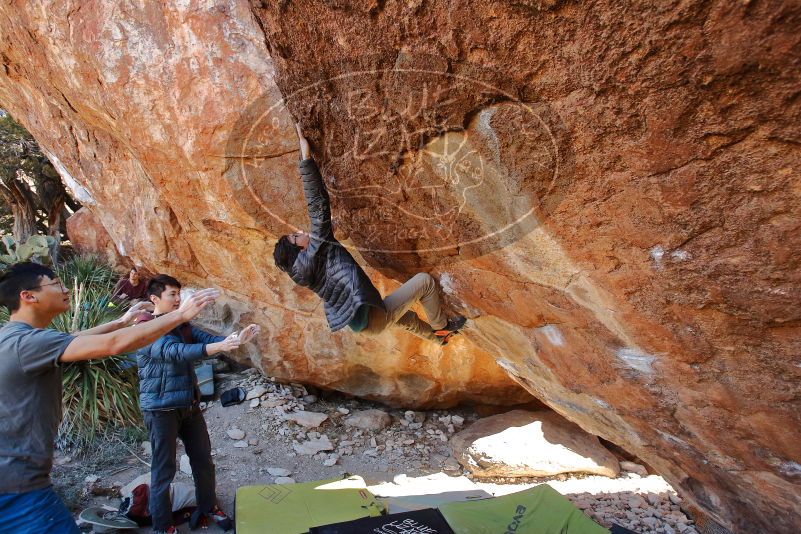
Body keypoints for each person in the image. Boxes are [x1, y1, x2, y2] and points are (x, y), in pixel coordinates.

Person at [0, 262, 220, 534]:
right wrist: (179, 315)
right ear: (28, 295)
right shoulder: (27, 343)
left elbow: (72, 338)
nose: (65, 288)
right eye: (56, 284)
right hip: (18, 488)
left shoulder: (16, 338)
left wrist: (120, 321)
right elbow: (115, 345)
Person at [273, 124, 466, 345]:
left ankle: (438, 340)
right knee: (424, 282)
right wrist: (306, 158)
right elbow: (317, 205)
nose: (300, 232)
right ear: (301, 249)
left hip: (362, 324)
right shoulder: (316, 249)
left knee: (405, 317)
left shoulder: (301, 273)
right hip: (373, 317)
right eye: (295, 237)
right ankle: (441, 328)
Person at [137, 274, 259, 534]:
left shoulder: (182, 325)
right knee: (163, 470)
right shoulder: (145, 326)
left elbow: (207, 339)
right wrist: (218, 347)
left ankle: (208, 506)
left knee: (203, 460)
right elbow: (174, 353)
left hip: (189, 405)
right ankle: (162, 527)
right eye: (172, 295)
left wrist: (236, 338)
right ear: (154, 298)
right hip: (160, 409)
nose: (178, 299)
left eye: (179, 294)